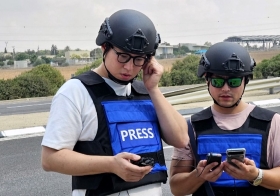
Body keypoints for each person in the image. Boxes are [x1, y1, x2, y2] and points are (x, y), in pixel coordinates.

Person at [41, 9, 188, 196]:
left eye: (138, 60)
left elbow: (181, 139)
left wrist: (153, 89)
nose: (129, 67)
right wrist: (111, 165)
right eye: (123, 56)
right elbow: (50, 159)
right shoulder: (75, 91)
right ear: (104, 47)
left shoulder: (146, 91)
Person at [169, 42, 280, 196]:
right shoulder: (190, 127)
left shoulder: (273, 122)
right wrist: (198, 175)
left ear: (245, 81)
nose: (225, 89)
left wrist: (256, 175)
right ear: (207, 80)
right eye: (218, 82)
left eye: (234, 82)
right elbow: (176, 188)